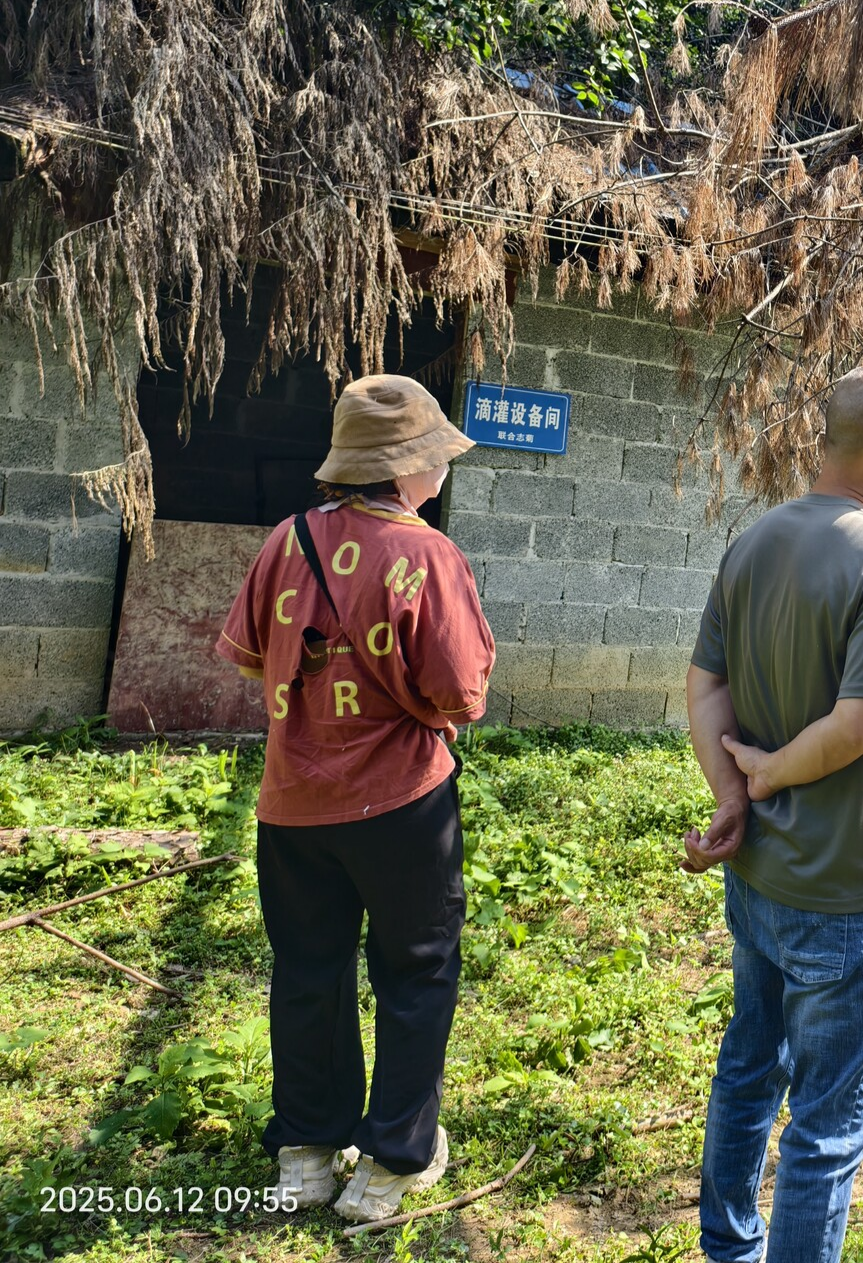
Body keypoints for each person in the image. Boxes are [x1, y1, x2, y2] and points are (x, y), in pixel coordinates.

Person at [682, 363, 863, 1263]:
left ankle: (728, 1248)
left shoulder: (752, 542)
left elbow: (704, 682)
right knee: (829, 1126)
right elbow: (858, 725)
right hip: (843, 891)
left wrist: (732, 791)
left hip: (756, 881)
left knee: (749, 1070)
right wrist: (763, 778)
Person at [217, 374, 494, 1222]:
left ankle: (305, 1150)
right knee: (415, 972)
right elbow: (461, 695)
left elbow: (243, 653)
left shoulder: (285, 541)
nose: (441, 466)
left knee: (307, 970)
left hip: (291, 802)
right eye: (434, 453)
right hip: (400, 804)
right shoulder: (428, 555)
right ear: (408, 467)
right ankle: (391, 1163)